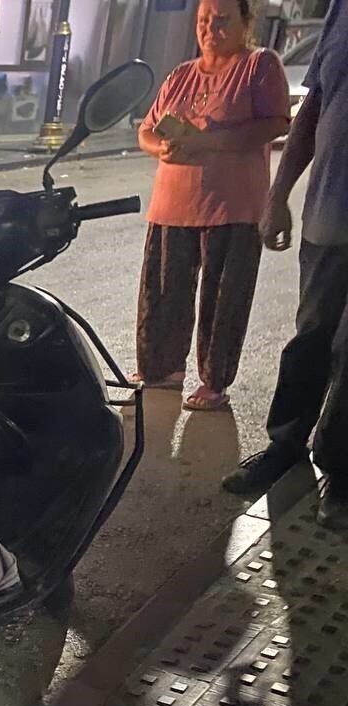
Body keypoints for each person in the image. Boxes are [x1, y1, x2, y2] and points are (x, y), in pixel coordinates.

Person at [222, 0, 348, 529]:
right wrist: (278, 194)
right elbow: (315, 104)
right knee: (311, 336)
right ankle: (285, 446)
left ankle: (339, 469)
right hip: (329, 218)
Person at [132, 0, 289, 412]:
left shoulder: (259, 66)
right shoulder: (181, 75)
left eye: (222, 21)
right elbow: (146, 129)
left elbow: (274, 124)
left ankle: (214, 381)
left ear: (245, 22)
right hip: (172, 204)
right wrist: (161, 147)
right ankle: (162, 367)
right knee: (163, 290)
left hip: (231, 206)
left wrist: (211, 142)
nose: (210, 29)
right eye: (204, 20)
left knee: (223, 299)